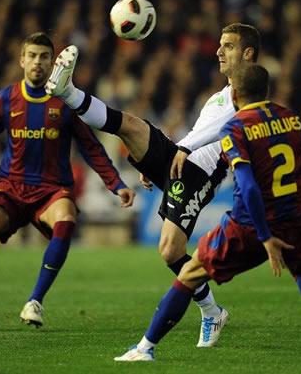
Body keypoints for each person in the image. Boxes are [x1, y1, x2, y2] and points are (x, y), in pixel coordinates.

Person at [113, 62, 301, 361]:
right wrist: (292, 189)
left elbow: (248, 187)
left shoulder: (235, 127)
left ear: (233, 97)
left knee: (189, 275)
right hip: (295, 218)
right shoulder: (295, 121)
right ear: (267, 91)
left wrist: (264, 235)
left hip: (248, 225)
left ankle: (145, 348)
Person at [45, 23, 262, 347]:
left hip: (198, 176)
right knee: (131, 126)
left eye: (228, 46)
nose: (218, 51)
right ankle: (68, 93)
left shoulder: (249, 98)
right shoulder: (219, 96)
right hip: (181, 160)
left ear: (248, 54)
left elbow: (219, 135)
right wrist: (165, 160)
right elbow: (201, 135)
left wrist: (180, 150)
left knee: (169, 250)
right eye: (219, 45)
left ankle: (212, 311)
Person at [0, 32, 136, 332]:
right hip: (11, 186)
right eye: (33, 56)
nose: (38, 62)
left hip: (51, 190)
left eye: (44, 57)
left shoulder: (66, 100)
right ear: (22, 60)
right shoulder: (6, 98)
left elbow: (90, 146)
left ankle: (35, 301)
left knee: (66, 219)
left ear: (53, 63)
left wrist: (116, 183)